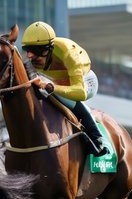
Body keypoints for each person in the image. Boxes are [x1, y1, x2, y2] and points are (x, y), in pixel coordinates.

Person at [20, 21, 109, 156]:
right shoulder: (33, 59)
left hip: (86, 83)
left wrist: (51, 87)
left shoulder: (69, 54)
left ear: (49, 48)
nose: (30, 56)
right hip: (59, 81)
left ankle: (97, 139)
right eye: (27, 50)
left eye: (35, 51)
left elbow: (81, 93)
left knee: (55, 94)